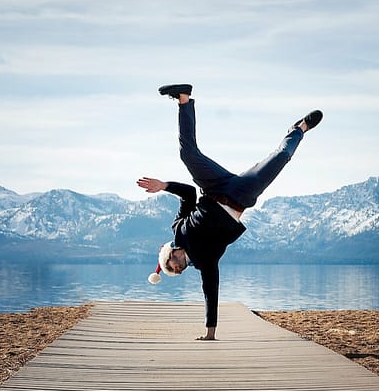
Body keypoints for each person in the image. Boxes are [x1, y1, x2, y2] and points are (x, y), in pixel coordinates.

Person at [138, 84, 322, 340]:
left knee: (187, 153)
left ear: (170, 254)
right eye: (176, 272)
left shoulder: (178, 229)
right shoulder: (205, 262)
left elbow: (189, 193)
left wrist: (164, 186)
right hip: (240, 195)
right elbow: (210, 292)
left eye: (171, 267)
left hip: (213, 186)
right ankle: (299, 129)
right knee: (279, 159)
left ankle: (183, 99)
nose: (176, 270)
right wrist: (210, 333)